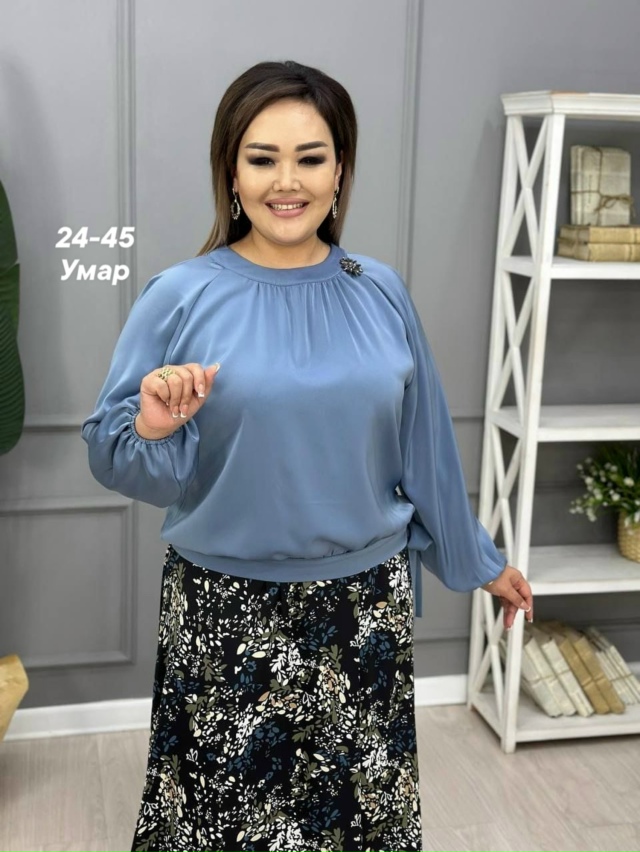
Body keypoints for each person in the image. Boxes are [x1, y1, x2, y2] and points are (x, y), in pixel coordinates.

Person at [81, 59, 533, 852]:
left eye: (310, 157)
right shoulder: (180, 294)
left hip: (364, 612)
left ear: (340, 170)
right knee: (223, 830)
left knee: (360, 826)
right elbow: (117, 459)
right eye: (262, 158)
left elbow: (425, 447)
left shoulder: (380, 290)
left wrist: (480, 561)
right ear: (232, 172)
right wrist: (152, 426)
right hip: (224, 616)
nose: (286, 182)